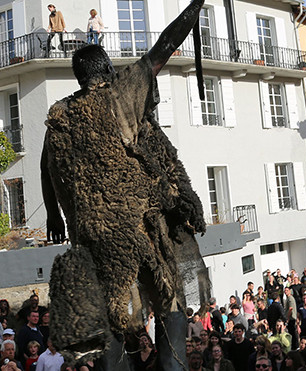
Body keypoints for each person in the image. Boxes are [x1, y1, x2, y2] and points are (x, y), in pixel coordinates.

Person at [41, 0, 210, 367]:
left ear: (78, 76)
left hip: (95, 236)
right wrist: (195, 6)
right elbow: (165, 45)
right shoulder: (123, 93)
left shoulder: (63, 115)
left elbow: (46, 169)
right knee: (170, 301)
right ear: (108, 70)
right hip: (140, 226)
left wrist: (55, 217)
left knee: (114, 312)